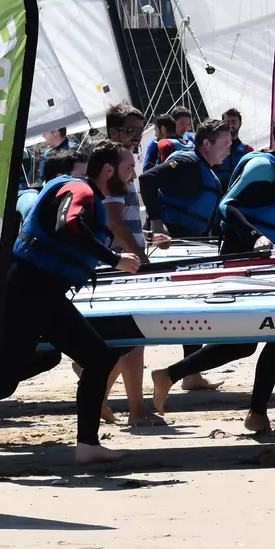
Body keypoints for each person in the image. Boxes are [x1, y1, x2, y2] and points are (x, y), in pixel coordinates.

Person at [0, 142, 142, 478]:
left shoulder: (83, 192)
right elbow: (67, 224)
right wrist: (115, 259)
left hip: (35, 290)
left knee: (11, 376)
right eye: (129, 167)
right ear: (108, 170)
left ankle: (87, 445)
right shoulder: (80, 190)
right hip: (31, 290)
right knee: (94, 358)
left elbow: (69, 234)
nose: (133, 173)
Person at [151, 100, 275, 434]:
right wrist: (255, 238)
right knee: (272, 334)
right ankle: (253, 411)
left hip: (263, 262)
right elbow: (227, 205)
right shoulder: (263, 166)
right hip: (242, 257)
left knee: (261, 338)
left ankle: (172, 376)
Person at [101, 105, 166, 425]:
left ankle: (100, 397)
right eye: (130, 130)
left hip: (125, 261)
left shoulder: (123, 162)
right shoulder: (114, 165)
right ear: (114, 133)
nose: (137, 136)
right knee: (131, 340)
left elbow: (123, 217)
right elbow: (114, 222)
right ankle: (137, 410)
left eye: (140, 130)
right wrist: (139, 257)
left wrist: (146, 239)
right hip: (120, 266)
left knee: (127, 341)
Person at [140, 118, 232, 240]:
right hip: (165, 240)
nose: (228, 152)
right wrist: (155, 221)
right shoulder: (186, 163)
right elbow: (147, 178)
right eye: (225, 145)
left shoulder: (208, 172)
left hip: (189, 242)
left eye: (229, 146)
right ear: (207, 143)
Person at [215, 108, 254, 189]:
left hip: (238, 193)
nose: (230, 125)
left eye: (233, 121)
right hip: (217, 192)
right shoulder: (214, 148)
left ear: (240, 124)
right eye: (227, 122)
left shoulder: (248, 151)